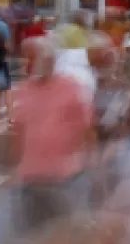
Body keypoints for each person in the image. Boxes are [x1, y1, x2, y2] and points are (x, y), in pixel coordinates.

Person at [8, 39, 95, 233]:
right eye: (26, 58)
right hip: (32, 177)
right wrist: (15, 166)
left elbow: (87, 128)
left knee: (63, 236)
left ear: (50, 60)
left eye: (32, 57)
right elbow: (19, 130)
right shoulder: (24, 90)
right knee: (35, 236)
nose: (28, 63)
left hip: (64, 177)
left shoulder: (71, 87)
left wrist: (91, 162)